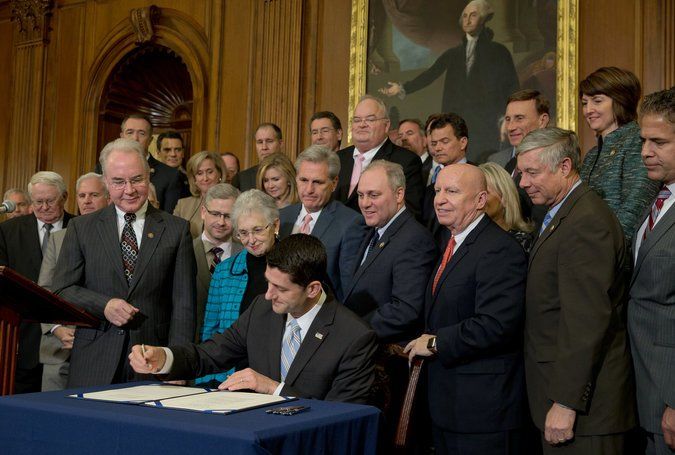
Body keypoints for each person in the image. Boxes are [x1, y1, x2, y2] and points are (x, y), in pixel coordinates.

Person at [129, 234, 378, 404]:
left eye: (281, 288)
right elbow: (211, 354)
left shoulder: (354, 337)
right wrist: (164, 358)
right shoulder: (262, 309)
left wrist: (273, 388)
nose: (268, 295)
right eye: (268, 283)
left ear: (312, 289)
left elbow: (343, 415)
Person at [517, 127, 635, 453]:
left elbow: (586, 321)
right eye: (521, 173)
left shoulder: (586, 221)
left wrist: (566, 401)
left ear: (565, 167)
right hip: (562, 400)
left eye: (532, 172)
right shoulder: (564, 213)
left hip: (584, 413)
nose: (523, 182)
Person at [53, 138, 196, 388]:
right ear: (106, 182)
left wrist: (176, 363)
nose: (129, 190)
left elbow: (184, 304)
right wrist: (104, 305)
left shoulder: (177, 229)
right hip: (94, 359)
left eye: (137, 179)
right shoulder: (81, 227)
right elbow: (62, 289)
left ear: (148, 177)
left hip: (152, 359)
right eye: (119, 182)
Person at [405, 163, 527, 454]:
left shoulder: (498, 249)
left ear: (480, 200)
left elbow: (496, 325)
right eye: (437, 191)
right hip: (449, 406)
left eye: (452, 191)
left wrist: (434, 343)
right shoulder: (451, 242)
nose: (440, 199)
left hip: (482, 412)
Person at [380, 0, 518, 162]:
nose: (467, 20)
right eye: (464, 16)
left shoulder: (498, 52)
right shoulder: (454, 53)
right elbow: (430, 74)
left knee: (484, 163)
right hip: (457, 122)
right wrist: (403, 88)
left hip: (487, 122)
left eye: (473, 15)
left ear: (483, 18)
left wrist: (506, 118)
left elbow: (511, 86)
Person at [628, 87, 675, 455]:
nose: (645, 151)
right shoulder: (655, 198)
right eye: (643, 140)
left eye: (658, 142)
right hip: (642, 392)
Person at [342, 160, 436, 342]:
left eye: (373, 195)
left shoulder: (415, 239)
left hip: (383, 349)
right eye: (361, 195)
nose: (364, 203)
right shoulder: (375, 230)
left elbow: (405, 310)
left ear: (399, 194)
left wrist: (351, 330)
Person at [0, 171, 74, 393]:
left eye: (50, 201)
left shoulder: (80, 227)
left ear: (64, 197)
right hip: (23, 339)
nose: (43, 207)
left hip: (67, 340)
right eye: (38, 202)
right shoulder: (8, 231)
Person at [198, 189, 279, 384]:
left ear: (275, 225)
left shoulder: (294, 265)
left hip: (274, 377)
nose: (251, 240)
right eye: (243, 233)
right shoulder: (223, 271)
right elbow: (211, 333)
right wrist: (206, 381)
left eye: (257, 230)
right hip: (228, 378)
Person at [38, 172, 110, 391]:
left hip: (102, 345)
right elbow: (44, 290)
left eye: (94, 195)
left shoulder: (118, 239)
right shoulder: (58, 238)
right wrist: (57, 328)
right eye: (82, 195)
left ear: (108, 198)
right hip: (59, 347)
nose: (86, 201)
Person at [579, 66, 661, 242]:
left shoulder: (638, 142)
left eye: (597, 101)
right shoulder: (591, 155)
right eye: (585, 103)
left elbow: (633, 211)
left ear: (620, 100)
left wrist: (599, 250)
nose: (588, 110)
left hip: (613, 252)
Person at [279, 145, 366, 301]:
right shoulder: (283, 216)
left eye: (318, 182)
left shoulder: (351, 223)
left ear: (334, 183)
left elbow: (348, 289)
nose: (309, 189)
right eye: (303, 180)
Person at [335, 95, 424, 219]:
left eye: (370, 120)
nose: (362, 125)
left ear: (386, 126)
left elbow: (409, 213)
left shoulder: (406, 161)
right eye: (357, 120)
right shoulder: (337, 158)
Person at [489, 89, 550, 227]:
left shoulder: (552, 163)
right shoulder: (511, 164)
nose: (510, 127)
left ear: (542, 121)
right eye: (508, 119)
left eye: (519, 118)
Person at [192, 183, 242, 342]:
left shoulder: (246, 255)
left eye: (228, 216)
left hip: (233, 344)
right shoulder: (184, 250)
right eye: (215, 214)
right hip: (190, 342)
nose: (221, 222)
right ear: (203, 212)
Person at [116, 114, 186, 212]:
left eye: (142, 133)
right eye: (130, 132)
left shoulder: (170, 175)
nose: (135, 138)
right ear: (122, 137)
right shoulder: (103, 168)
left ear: (150, 140)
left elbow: (169, 218)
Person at [423, 113, 471, 229]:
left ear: (463, 142)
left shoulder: (480, 177)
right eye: (434, 143)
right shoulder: (429, 190)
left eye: (444, 141)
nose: (437, 148)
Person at [479, 162, 535, 252]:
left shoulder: (519, 242)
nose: (477, 200)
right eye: (474, 194)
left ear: (505, 198)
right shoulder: (465, 237)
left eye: (485, 193)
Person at [173, 151, 226, 238]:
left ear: (220, 173)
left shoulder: (233, 203)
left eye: (210, 172)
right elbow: (173, 236)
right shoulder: (182, 205)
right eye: (199, 173)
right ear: (194, 179)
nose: (205, 178)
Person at [232, 123, 284, 191]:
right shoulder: (242, 178)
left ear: (280, 144)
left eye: (269, 141)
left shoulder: (293, 174)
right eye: (260, 142)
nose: (264, 147)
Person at [398, 118, 432, 184]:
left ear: (424, 140)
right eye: (400, 136)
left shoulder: (434, 167)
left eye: (409, 133)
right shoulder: (397, 168)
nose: (403, 138)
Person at [156, 131, 190, 196]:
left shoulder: (191, 179)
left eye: (177, 150)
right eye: (167, 150)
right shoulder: (150, 178)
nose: (173, 154)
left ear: (183, 153)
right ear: (158, 153)